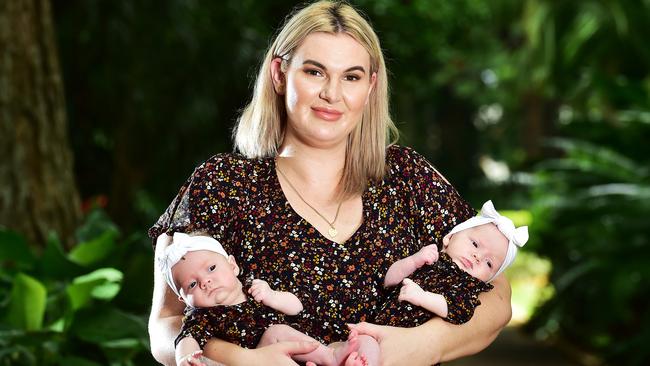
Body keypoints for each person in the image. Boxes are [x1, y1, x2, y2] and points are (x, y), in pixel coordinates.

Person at [148, 1, 512, 365]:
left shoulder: (407, 177)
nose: (332, 95)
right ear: (279, 74)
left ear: (370, 87)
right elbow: (166, 322)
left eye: (351, 77)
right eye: (315, 72)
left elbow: (496, 295)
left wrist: (420, 345)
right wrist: (241, 360)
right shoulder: (222, 184)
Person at [158, 232, 372, 366]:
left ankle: (334, 358)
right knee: (275, 331)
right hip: (260, 356)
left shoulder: (256, 289)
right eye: (192, 284)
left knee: (365, 342)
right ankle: (332, 359)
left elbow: (296, 307)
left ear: (233, 265)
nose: (206, 282)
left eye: (211, 268)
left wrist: (273, 296)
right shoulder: (204, 317)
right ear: (183, 298)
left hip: (302, 351)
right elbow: (186, 339)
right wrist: (184, 358)